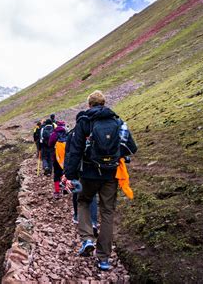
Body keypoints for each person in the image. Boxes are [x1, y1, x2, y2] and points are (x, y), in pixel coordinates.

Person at [64, 90, 137, 271]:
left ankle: (87, 239)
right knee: (107, 213)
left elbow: (75, 150)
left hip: (88, 173)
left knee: (83, 201)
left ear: (89, 105)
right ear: (104, 103)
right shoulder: (118, 121)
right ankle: (103, 258)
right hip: (111, 175)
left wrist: (70, 175)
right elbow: (131, 147)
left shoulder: (84, 121)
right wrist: (114, 156)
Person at [48, 120, 67, 198]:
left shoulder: (54, 134)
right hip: (66, 157)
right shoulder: (67, 133)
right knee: (65, 172)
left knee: (56, 173)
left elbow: (50, 143)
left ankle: (57, 191)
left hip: (56, 157)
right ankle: (65, 189)